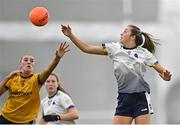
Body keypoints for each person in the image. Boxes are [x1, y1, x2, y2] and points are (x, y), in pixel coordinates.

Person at [61, 24, 172, 124]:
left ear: (132, 37)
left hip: (141, 98)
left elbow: (162, 71)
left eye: (125, 31)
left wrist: (165, 76)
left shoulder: (144, 53)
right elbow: (87, 48)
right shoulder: (114, 48)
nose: (121, 33)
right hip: (124, 99)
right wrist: (70, 35)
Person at [0, 42, 70, 124]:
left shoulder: (36, 79)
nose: (29, 62)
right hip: (6, 117)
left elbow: (48, 70)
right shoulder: (12, 78)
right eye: (25, 60)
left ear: (34, 65)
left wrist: (57, 58)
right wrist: (7, 77)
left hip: (25, 121)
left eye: (32, 61)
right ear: (20, 64)